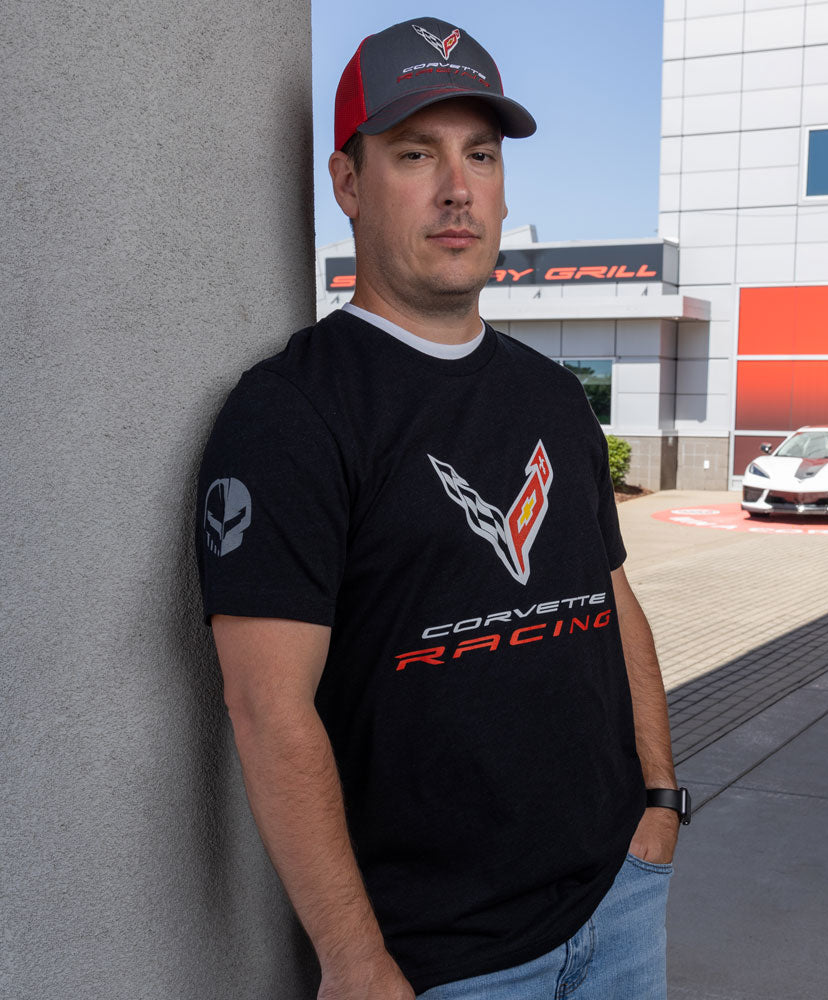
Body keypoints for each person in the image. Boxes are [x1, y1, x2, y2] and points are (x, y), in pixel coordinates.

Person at [196, 16, 690, 999]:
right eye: (415, 154)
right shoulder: (290, 415)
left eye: (480, 155)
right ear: (347, 183)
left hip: (617, 898)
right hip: (437, 960)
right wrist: (352, 956)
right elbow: (265, 704)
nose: (457, 188)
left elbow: (611, 597)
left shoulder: (551, 398)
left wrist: (660, 798)